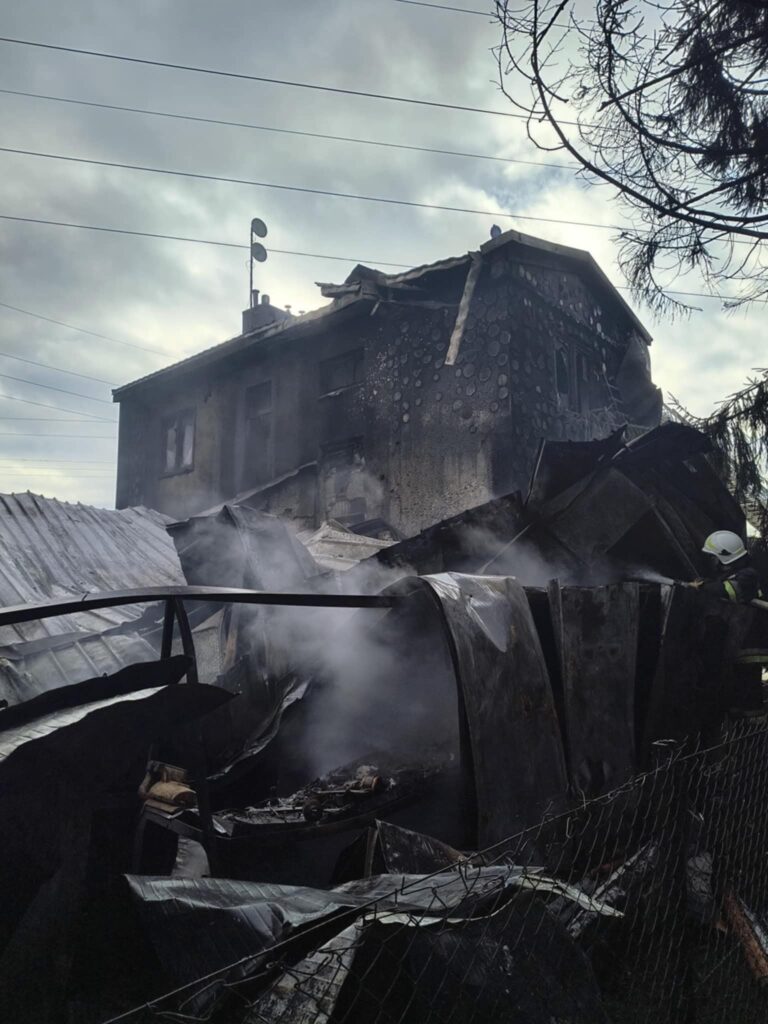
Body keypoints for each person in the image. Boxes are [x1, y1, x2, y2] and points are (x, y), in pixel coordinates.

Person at [691, 530, 766, 712]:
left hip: (750, 646)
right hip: (743, 644)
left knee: (747, 698)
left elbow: (731, 591)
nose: (711, 561)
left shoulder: (747, 575)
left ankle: (750, 732)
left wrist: (703, 587)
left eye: (713, 557)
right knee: (737, 696)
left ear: (723, 558)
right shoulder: (740, 573)